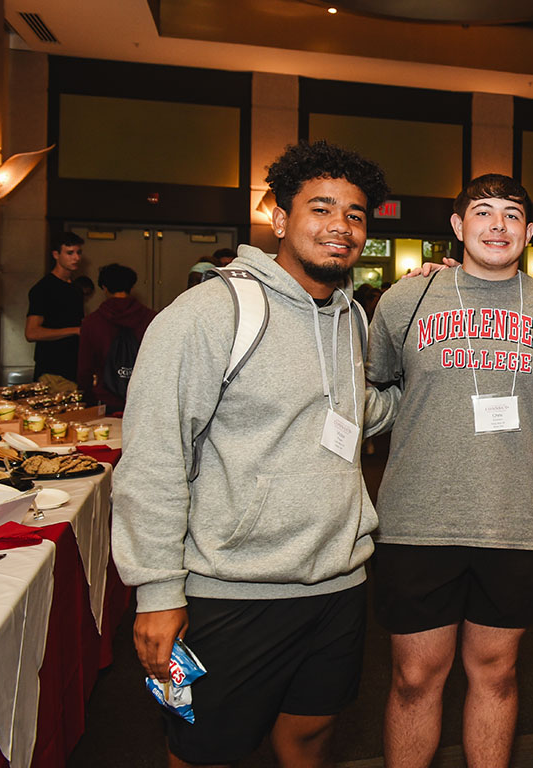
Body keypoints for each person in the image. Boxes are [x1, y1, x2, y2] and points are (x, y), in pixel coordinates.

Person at [113, 140, 400, 768]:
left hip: (339, 584)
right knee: (204, 751)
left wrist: (439, 379)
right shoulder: (209, 313)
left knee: (311, 736)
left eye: (354, 214)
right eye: (320, 207)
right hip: (230, 593)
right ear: (279, 218)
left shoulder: (350, 318)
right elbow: (154, 458)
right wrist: (158, 591)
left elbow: (355, 416)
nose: (339, 226)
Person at [365, 174, 533, 768]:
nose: (497, 226)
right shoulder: (405, 300)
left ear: (530, 232)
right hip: (417, 522)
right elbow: (372, 389)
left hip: (514, 523)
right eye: (483, 213)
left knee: (497, 674)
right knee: (414, 678)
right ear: (457, 226)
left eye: (512, 215)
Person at [75, 263, 157, 412]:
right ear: (132, 287)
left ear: (104, 288)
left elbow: (84, 370)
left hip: (105, 401)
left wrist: (87, 400)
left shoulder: (92, 322)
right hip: (142, 402)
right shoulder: (152, 318)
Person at [26, 231, 85, 383]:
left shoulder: (76, 288)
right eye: (70, 253)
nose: (76, 258)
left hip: (73, 366)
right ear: (56, 255)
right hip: (51, 369)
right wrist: (74, 330)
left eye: (78, 252)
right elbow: (31, 333)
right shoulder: (43, 288)